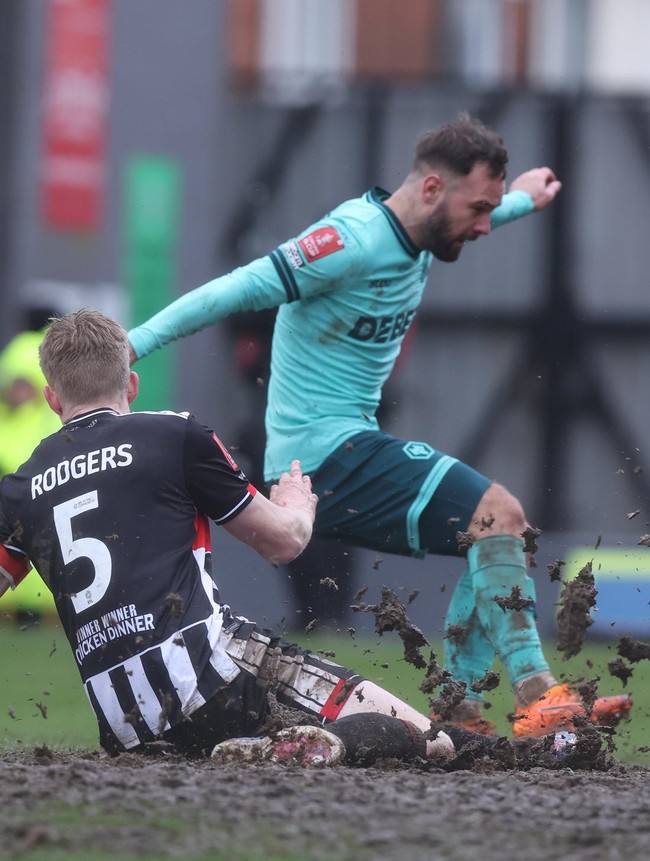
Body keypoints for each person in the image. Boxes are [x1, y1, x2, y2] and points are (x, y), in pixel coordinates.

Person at [127, 113, 632, 738]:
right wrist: (133, 344)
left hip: (341, 449)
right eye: (478, 207)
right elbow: (233, 290)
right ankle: (538, 697)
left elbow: (470, 218)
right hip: (321, 457)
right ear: (429, 189)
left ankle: (460, 713)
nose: (483, 225)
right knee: (498, 515)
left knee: (492, 536)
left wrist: (521, 200)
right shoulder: (352, 239)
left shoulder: (420, 230)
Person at [0, 307, 504, 767]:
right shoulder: (174, 435)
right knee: (428, 739)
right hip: (213, 679)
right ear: (131, 384)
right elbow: (283, 543)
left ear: (51, 398)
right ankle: (330, 746)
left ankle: (269, 748)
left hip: (125, 729)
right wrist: (297, 505)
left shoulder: (19, 488)